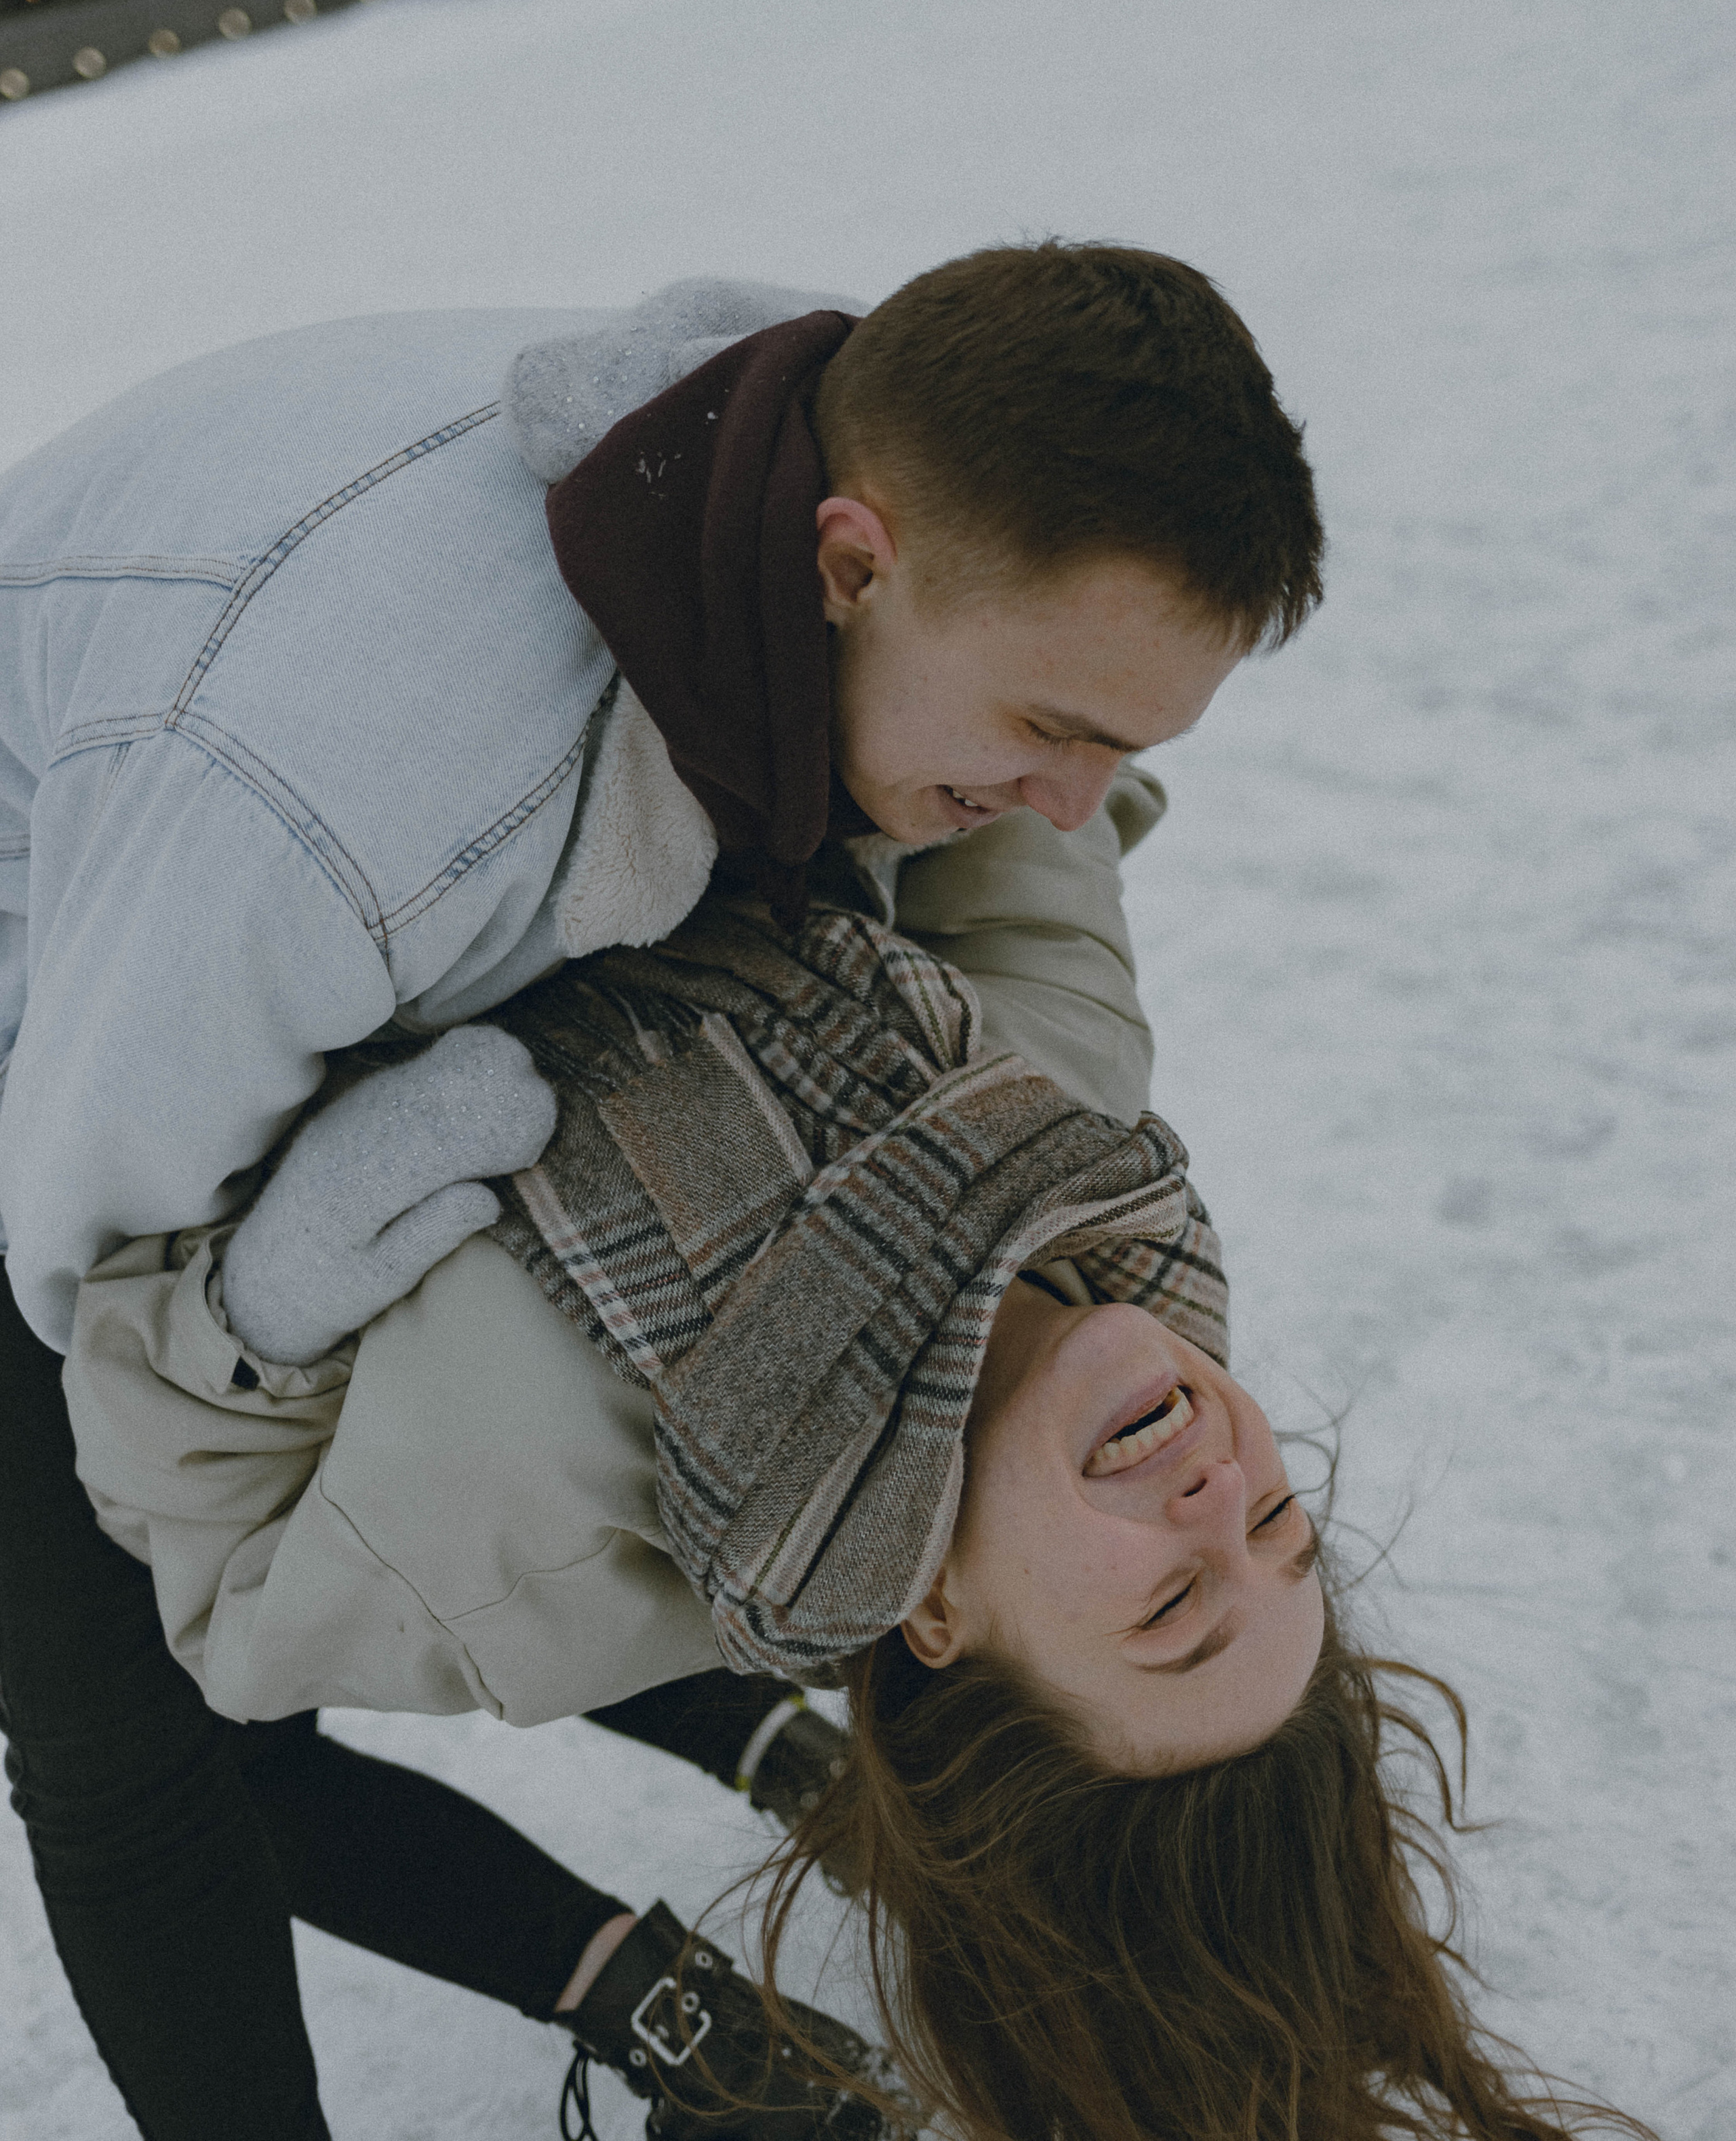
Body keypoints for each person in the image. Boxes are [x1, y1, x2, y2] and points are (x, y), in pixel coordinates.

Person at [0, 241, 1323, 2137]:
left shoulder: (795, 476)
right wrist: (256, 1310)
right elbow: (89, 1257)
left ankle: (769, 1753)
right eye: (1051, 727)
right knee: (126, 1744)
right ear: (853, 565)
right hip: (77, 977)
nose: (1067, 798)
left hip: (226, 803)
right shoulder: (364, 818)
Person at [62, 887, 1654, 2141]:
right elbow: (1035, 775)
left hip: (96, 1094)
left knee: (125, 1751)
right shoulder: (1085, 1114)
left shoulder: (521, 1491)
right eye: (1277, 1527)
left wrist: (271, 1301)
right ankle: (773, 1761)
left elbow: (216, 1612)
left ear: (940, 1625)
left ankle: (659, 1995)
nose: (1217, 1495)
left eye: (1172, 1607)